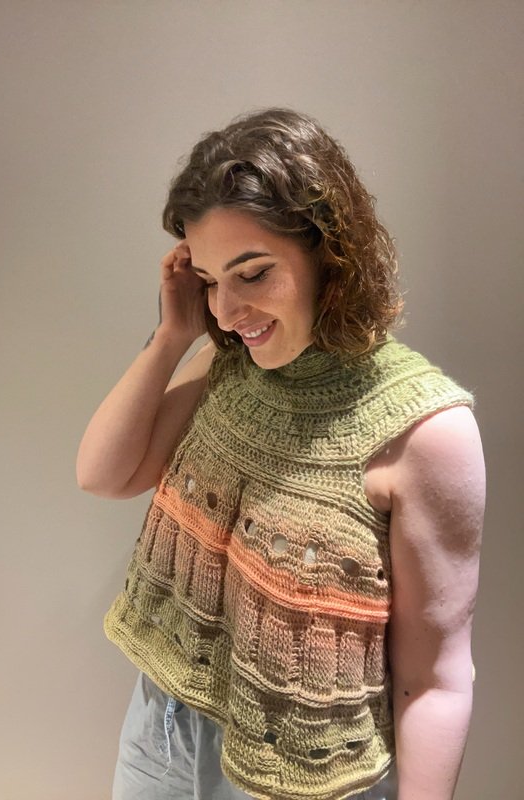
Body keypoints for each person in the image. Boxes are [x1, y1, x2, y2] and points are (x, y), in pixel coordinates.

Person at [76, 108, 485, 800]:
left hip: (304, 775)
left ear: (331, 253)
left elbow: (435, 680)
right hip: (164, 729)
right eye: (210, 279)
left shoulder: (425, 431)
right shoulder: (227, 367)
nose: (226, 311)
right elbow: (103, 473)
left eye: (253, 273)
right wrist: (174, 334)